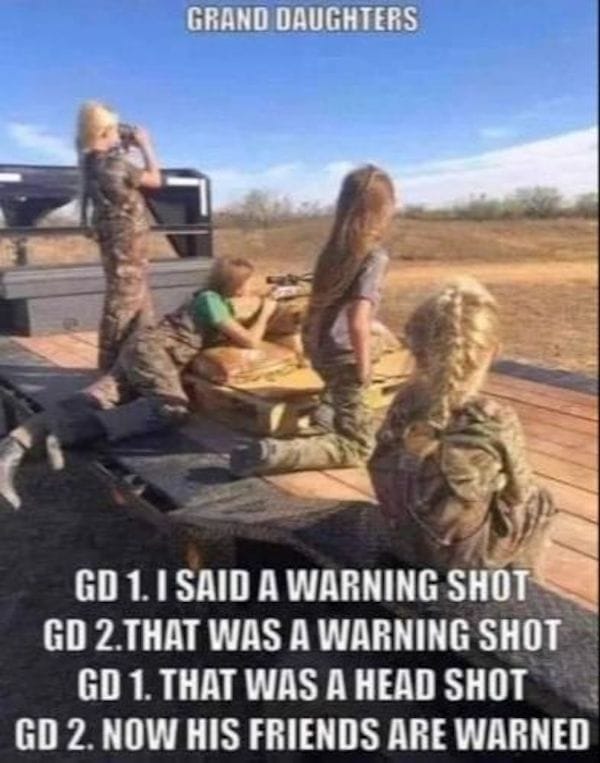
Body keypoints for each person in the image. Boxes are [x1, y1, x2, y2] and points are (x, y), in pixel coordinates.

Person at [0, 257, 277, 511]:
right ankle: (66, 435)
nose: (251, 287)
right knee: (170, 409)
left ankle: (13, 448)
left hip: (144, 348)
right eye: (248, 282)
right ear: (234, 282)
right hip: (154, 350)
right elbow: (250, 342)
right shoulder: (211, 300)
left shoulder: (215, 301)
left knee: (97, 397)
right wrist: (267, 311)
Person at [367, 277, 556, 578]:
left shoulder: (403, 402)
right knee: (541, 502)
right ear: (493, 352)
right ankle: (521, 593)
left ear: (416, 350)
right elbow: (519, 494)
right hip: (465, 562)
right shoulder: (494, 418)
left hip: (400, 543)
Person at [229, 164, 396, 476]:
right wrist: (365, 367)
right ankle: (274, 453)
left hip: (320, 349)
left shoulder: (333, 250)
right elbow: (358, 319)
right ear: (385, 209)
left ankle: (328, 414)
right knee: (359, 447)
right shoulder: (374, 256)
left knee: (342, 393)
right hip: (344, 354)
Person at [77, 101, 162, 370]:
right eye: (115, 129)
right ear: (103, 130)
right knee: (123, 301)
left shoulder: (89, 160)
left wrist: (123, 147)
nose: (120, 133)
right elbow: (155, 180)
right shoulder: (115, 164)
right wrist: (146, 145)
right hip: (129, 242)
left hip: (114, 239)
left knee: (138, 299)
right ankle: (111, 367)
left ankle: (143, 358)